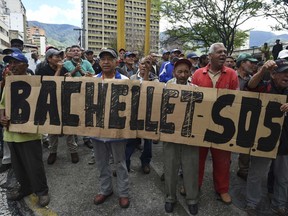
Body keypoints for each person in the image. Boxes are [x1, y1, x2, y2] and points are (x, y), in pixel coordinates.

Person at [0, 51, 50, 207]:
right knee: (18, 167)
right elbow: (2, 104)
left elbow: (44, 106)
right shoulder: (9, 83)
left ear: (26, 65)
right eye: (10, 63)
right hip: (11, 134)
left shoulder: (36, 82)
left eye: (16, 62)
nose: (13, 66)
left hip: (30, 135)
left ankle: (42, 192)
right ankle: (25, 188)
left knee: (34, 166)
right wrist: (1, 117)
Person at [192, 43, 239, 204]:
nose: (223, 54)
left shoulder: (232, 74)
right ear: (210, 56)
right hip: (201, 123)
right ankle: (193, 185)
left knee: (223, 160)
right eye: (219, 52)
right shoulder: (198, 73)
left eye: (225, 52)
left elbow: (237, 100)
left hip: (223, 126)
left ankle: (222, 189)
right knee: (197, 158)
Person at [245, 59, 288, 216]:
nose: (287, 76)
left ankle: (280, 204)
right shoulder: (264, 86)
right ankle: (252, 203)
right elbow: (250, 85)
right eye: (284, 72)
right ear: (273, 74)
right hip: (263, 139)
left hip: (285, 141)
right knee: (257, 173)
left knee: (283, 176)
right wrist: (262, 69)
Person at [91, 48, 130, 208]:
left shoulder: (125, 80)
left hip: (117, 131)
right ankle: (105, 189)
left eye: (109, 59)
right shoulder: (92, 80)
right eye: (103, 59)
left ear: (116, 62)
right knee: (101, 163)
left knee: (120, 163)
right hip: (97, 131)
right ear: (99, 62)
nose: (106, 62)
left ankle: (124, 193)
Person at [164, 58, 199, 215]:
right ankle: (170, 197)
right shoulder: (165, 87)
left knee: (190, 167)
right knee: (170, 167)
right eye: (180, 71)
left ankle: (192, 199)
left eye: (186, 71)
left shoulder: (196, 89)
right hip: (170, 134)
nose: (183, 74)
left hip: (189, 134)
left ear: (190, 72)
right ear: (174, 72)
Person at [36, 48, 80, 165]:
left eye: (61, 57)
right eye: (56, 57)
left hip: (64, 101)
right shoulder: (42, 69)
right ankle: (53, 152)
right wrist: (59, 70)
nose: (60, 59)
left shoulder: (63, 68)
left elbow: (68, 82)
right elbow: (49, 84)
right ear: (49, 59)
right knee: (52, 129)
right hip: (50, 103)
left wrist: (69, 76)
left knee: (68, 127)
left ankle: (73, 151)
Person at [126, 56, 158, 174]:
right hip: (134, 113)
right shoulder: (132, 78)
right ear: (138, 64)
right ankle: (126, 163)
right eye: (143, 63)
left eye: (148, 63)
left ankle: (145, 162)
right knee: (130, 140)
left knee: (148, 141)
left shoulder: (155, 80)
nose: (144, 66)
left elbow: (149, 90)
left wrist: (147, 74)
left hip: (148, 114)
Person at [234, 53, 258, 181]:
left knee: (246, 141)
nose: (254, 65)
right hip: (230, 114)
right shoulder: (231, 76)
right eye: (251, 62)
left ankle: (243, 169)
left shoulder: (254, 79)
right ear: (242, 63)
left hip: (246, 114)